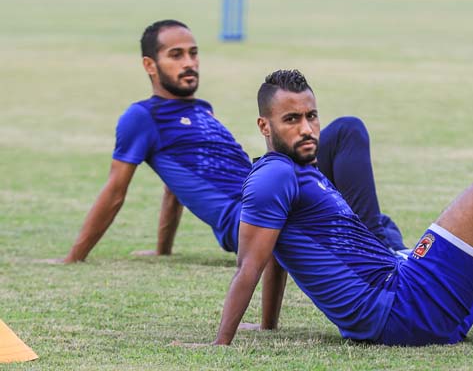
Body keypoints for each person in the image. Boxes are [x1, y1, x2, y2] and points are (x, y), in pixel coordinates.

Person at [212, 69, 473, 349]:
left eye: (311, 116)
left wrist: (268, 327)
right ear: (264, 126)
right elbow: (250, 264)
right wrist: (221, 345)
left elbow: (277, 253)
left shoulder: (300, 171)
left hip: (407, 304)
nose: (306, 129)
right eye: (291, 119)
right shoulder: (273, 176)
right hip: (400, 307)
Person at [62, 19, 407, 264]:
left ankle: (388, 253)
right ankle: (379, 256)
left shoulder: (201, 110)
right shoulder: (142, 117)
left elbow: (174, 187)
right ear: (150, 65)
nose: (189, 63)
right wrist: (74, 257)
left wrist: (163, 250)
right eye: (176, 55)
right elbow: (115, 191)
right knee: (346, 132)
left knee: (374, 215)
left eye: (194, 53)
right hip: (249, 213)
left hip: (273, 189)